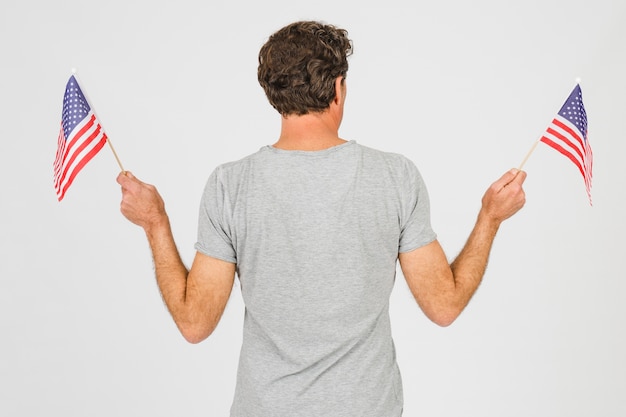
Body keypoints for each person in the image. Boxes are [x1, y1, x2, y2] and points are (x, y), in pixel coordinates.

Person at [117, 20, 526, 417]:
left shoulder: (230, 185)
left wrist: (156, 223)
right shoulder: (394, 176)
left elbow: (194, 324)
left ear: (273, 93)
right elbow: (444, 306)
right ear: (336, 89)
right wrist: (490, 218)